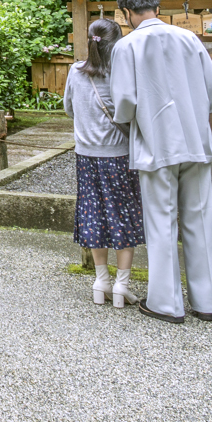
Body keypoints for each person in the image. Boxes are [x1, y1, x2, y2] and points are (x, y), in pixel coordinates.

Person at [111, 0, 212, 324]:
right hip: (195, 141)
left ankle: (166, 303)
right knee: (198, 219)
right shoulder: (189, 38)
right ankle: (207, 302)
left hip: (156, 144)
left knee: (161, 222)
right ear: (157, 8)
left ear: (126, 12)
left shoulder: (128, 45)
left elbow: (125, 104)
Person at [63, 17, 144, 309]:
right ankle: (122, 284)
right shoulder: (121, 72)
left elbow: (69, 108)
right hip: (119, 155)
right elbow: (133, 112)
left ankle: (101, 280)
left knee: (93, 212)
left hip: (85, 155)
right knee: (123, 215)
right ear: (117, 42)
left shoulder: (75, 71)